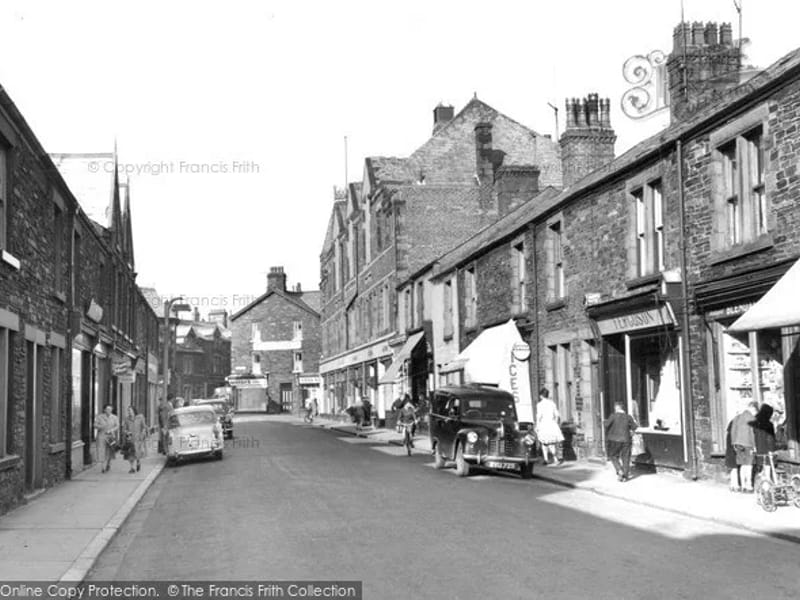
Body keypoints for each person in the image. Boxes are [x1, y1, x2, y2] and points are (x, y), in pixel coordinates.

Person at [604, 402, 638, 482]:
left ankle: (619, 470)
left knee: (613, 456)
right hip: (626, 440)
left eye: (615, 408)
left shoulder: (613, 416)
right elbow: (635, 427)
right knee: (626, 457)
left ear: (616, 408)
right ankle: (625, 477)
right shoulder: (628, 417)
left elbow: (606, 425)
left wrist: (605, 422)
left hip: (614, 440)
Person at [729, 400, 758, 492]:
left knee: (741, 465)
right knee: (748, 465)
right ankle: (748, 486)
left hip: (737, 444)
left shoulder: (737, 417)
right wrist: (754, 446)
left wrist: (734, 443)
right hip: (748, 444)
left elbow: (733, 431)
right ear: (753, 409)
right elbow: (752, 433)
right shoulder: (752, 418)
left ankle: (742, 485)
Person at [535, 388, 564, 465]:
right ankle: (554, 459)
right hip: (551, 424)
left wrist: (537, 426)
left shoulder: (539, 405)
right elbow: (557, 415)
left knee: (544, 443)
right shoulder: (552, 403)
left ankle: (546, 459)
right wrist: (556, 423)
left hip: (543, 424)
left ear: (541, 395)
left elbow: (539, 416)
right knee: (551, 443)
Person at [753, 403, 776, 487]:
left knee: (760, 468)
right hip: (766, 449)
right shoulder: (769, 425)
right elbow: (770, 438)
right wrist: (772, 450)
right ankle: (766, 487)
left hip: (757, 449)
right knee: (767, 468)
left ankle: (759, 485)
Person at [122, 405, 147, 473]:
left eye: (130, 410)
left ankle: (138, 462)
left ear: (134, 411)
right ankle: (132, 468)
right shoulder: (126, 419)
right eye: (128, 411)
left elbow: (144, 427)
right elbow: (124, 429)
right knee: (130, 455)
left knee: (137, 454)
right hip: (130, 439)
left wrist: (143, 433)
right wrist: (127, 432)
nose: (129, 412)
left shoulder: (140, 417)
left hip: (138, 439)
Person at [94, 404, 119, 473]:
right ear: (104, 410)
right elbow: (95, 425)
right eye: (107, 409)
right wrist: (101, 426)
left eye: (110, 409)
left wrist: (112, 430)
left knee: (110, 451)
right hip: (101, 435)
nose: (109, 410)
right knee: (101, 451)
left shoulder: (114, 417)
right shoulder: (100, 417)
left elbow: (117, 426)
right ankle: (102, 468)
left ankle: (108, 463)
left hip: (110, 436)